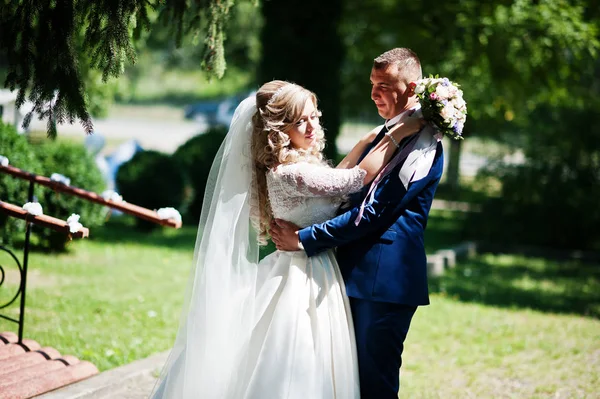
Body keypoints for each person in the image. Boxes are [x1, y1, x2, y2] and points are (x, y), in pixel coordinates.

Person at [149, 79, 423, 399]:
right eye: (299, 121)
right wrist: (397, 134)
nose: (311, 126)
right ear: (279, 129)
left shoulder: (301, 164)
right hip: (302, 275)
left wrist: (367, 138)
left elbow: (334, 180)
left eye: (313, 116)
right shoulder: (289, 172)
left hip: (313, 266)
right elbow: (353, 179)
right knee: (296, 357)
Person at [270, 48, 445, 398]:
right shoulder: (385, 135)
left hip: (383, 282)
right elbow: (343, 187)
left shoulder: (423, 145)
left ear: (411, 89)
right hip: (345, 274)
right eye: (371, 84)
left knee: (373, 381)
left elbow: (374, 211)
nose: (373, 93)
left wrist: (304, 238)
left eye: (383, 85)